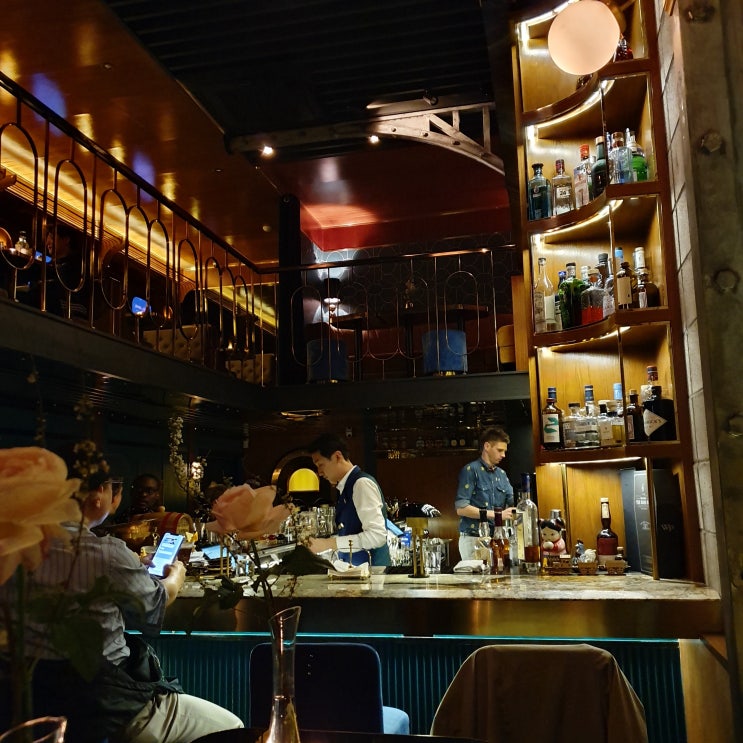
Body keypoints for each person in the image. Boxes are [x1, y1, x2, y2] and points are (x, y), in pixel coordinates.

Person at [24, 465, 244, 742]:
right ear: (100, 494)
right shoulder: (108, 554)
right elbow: (155, 606)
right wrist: (176, 575)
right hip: (108, 707)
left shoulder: (15, 550)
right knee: (232, 727)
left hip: (33, 707)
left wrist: (133, 570)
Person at [306, 433, 390, 566]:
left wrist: (329, 543)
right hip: (357, 572)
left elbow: (377, 536)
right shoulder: (345, 487)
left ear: (337, 456)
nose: (319, 472)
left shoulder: (361, 484)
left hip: (372, 573)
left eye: (320, 464)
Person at [455, 426, 515, 561]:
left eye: (504, 451)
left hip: (496, 539)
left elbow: (512, 503)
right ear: (487, 446)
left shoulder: (502, 474)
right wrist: (498, 515)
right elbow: (461, 508)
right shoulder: (470, 470)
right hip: (473, 539)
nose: (503, 455)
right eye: (499, 450)